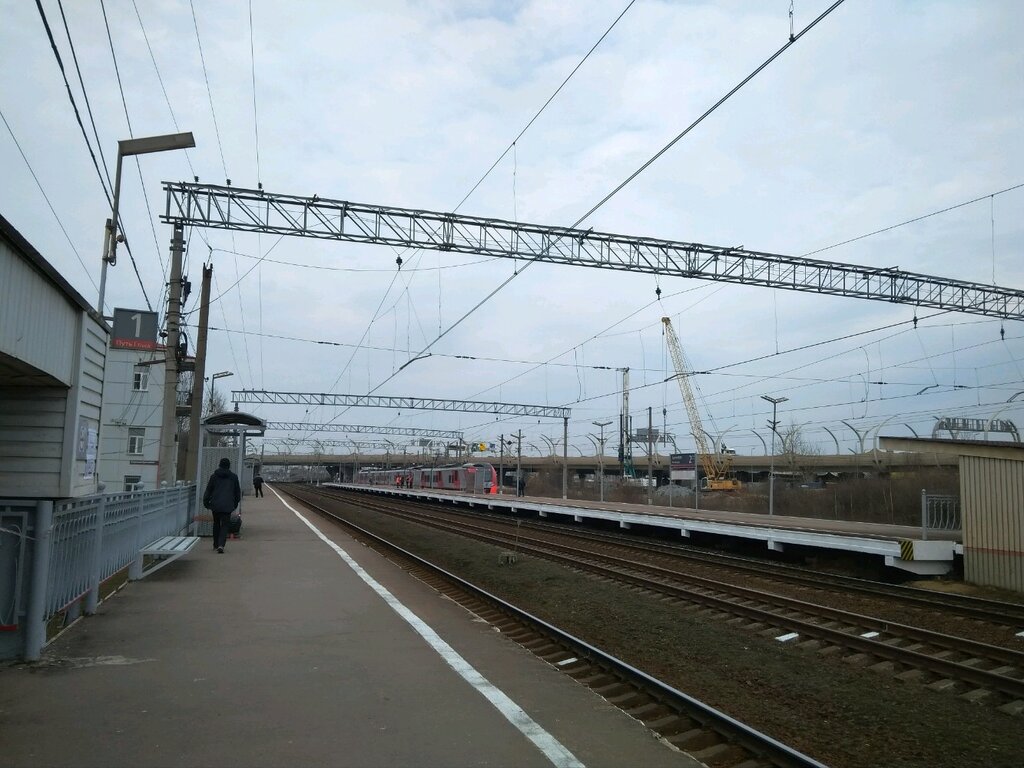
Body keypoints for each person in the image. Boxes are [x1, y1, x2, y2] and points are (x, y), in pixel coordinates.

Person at [203, 457, 241, 554]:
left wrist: (206, 502)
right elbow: (237, 492)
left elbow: (208, 490)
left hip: (215, 504)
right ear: (229, 466)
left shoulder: (214, 476)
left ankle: (215, 544)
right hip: (228, 505)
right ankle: (221, 545)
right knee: (225, 525)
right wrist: (235, 503)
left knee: (216, 524)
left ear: (219, 465)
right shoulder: (233, 477)